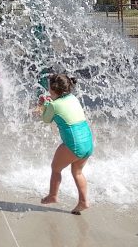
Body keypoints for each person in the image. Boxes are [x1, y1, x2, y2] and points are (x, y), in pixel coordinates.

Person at [39, 73, 94, 214]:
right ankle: (83, 201)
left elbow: (46, 119)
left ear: (53, 89)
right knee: (77, 172)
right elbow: (61, 106)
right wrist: (49, 103)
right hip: (87, 142)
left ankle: (53, 195)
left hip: (74, 145)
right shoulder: (72, 98)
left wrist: (43, 105)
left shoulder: (54, 105)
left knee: (55, 168)